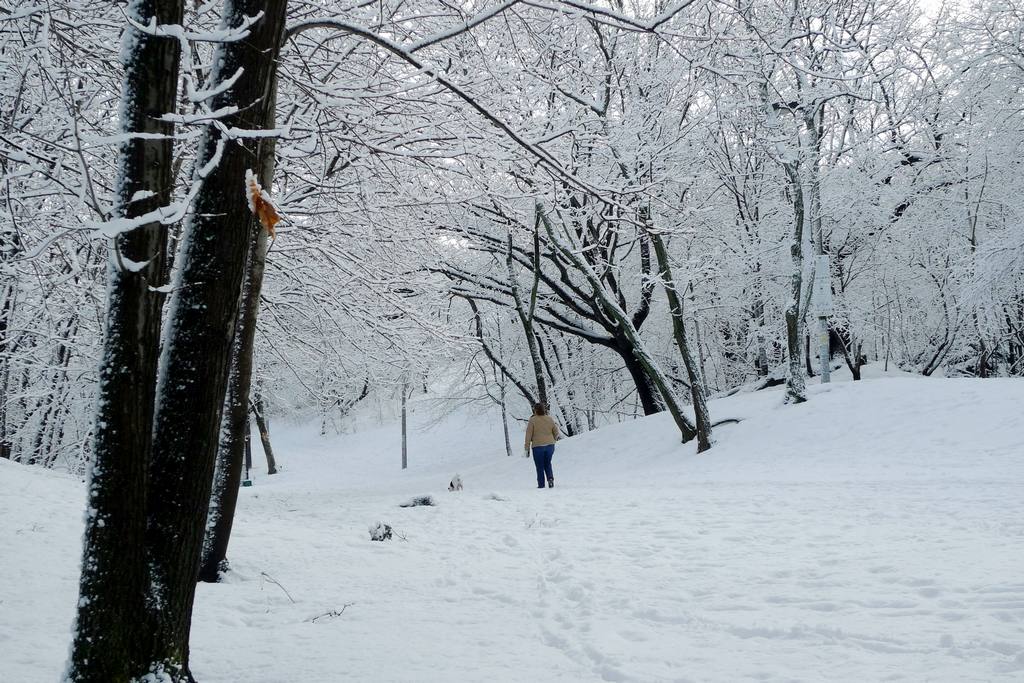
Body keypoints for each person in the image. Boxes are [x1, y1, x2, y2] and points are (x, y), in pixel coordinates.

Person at [524, 403, 559, 488]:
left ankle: (541, 485)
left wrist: (527, 448)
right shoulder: (549, 419)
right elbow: (556, 432)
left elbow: (528, 434)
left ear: (535, 410)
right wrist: (553, 440)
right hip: (550, 445)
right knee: (547, 463)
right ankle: (550, 479)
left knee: (539, 466)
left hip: (538, 446)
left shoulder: (532, 420)